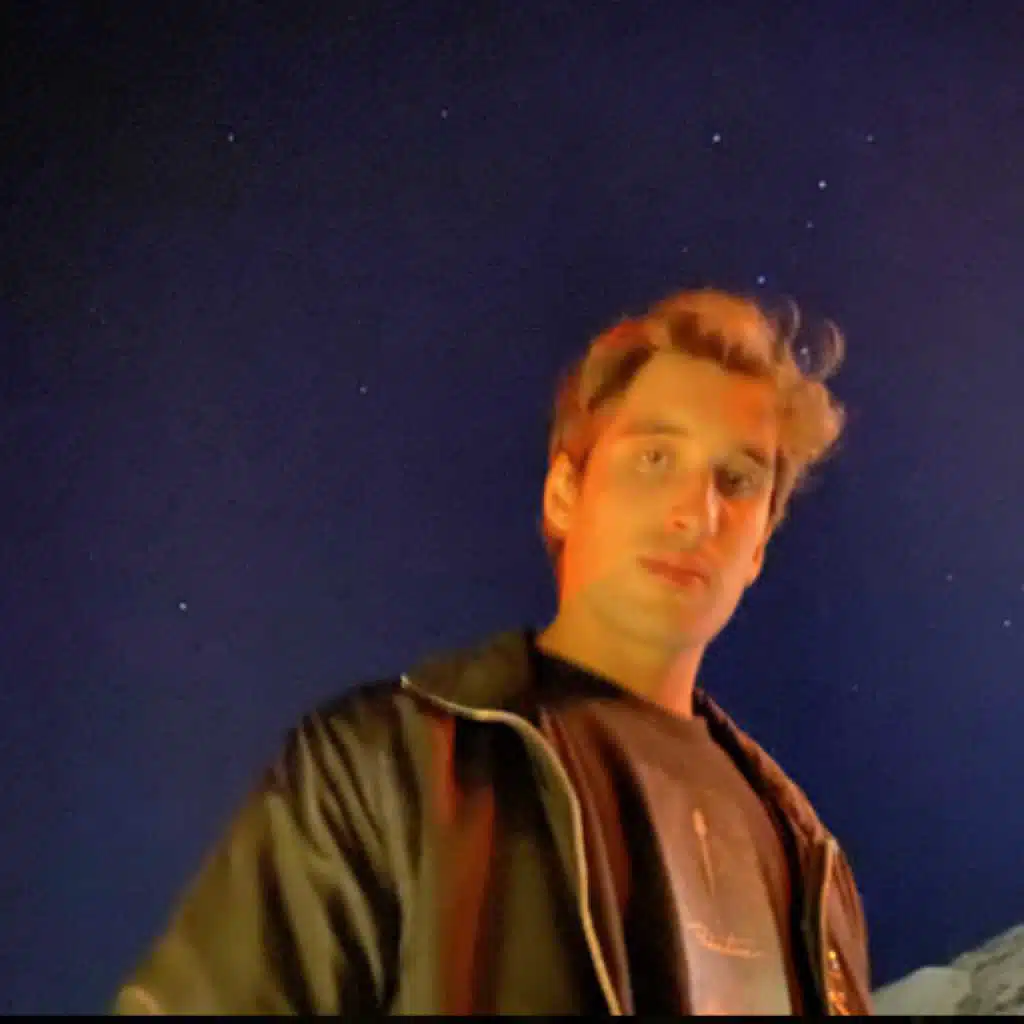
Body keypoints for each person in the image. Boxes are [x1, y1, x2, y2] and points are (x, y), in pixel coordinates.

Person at [113, 287, 874, 1015]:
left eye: (737, 480)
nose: (697, 512)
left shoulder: (809, 859)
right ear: (565, 492)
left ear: (758, 549)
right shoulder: (388, 768)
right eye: (654, 458)